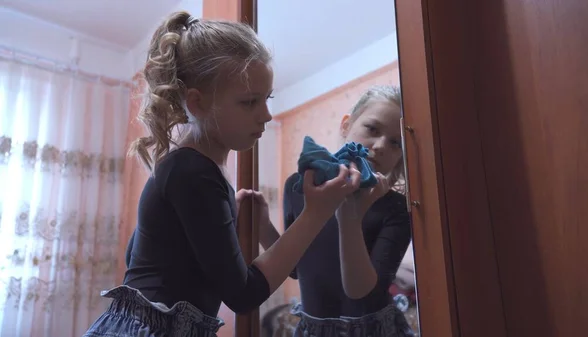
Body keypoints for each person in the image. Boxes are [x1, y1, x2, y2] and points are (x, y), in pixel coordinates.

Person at [82, 11, 363, 337]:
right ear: (197, 103)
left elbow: (141, 256)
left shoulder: (186, 168)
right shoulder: (193, 172)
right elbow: (243, 295)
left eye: (267, 98)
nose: (267, 115)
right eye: (249, 102)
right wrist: (317, 212)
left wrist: (245, 225)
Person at [261, 85, 415, 337]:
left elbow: (363, 293)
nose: (379, 146)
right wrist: (261, 225)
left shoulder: (395, 207)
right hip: (314, 329)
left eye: (395, 143)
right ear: (346, 125)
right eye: (372, 129)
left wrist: (349, 219)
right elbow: (296, 268)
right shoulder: (300, 186)